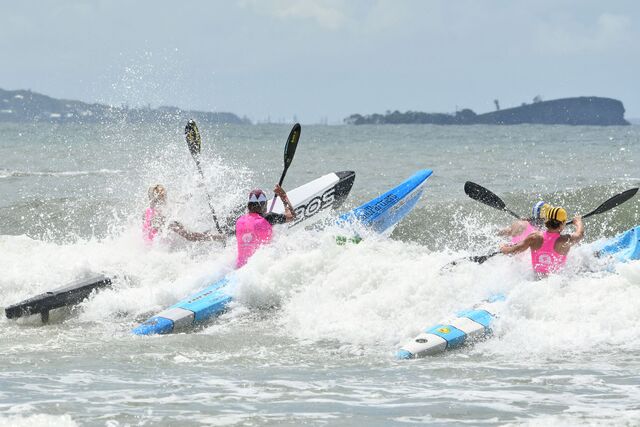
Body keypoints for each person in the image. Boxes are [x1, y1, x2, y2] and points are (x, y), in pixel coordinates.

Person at [500, 206, 584, 277]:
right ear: (562, 224)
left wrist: (503, 248)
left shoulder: (534, 237)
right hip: (556, 281)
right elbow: (580, 234)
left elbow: (514, 250)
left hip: (535, 279)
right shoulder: (565, 240)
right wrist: (578, 222)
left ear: (546, 220)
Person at [235, 185, 296, 268]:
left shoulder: (239, 221)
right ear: (265, 204)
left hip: (239, 268)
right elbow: (292, 216)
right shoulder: (269, 217)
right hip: (262, 267)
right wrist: (283, 196)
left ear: (248, 206)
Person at [142, 184, 224, 244]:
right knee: (177, 225)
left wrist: (196, 189)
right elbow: (190, 237)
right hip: (161, 253)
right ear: (164, 197)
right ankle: (217, 235)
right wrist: (218, 238)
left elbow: (180, 201)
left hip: (149, 250)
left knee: (178, 224)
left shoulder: (147, 212)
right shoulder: (162, 219)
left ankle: (209, 232)